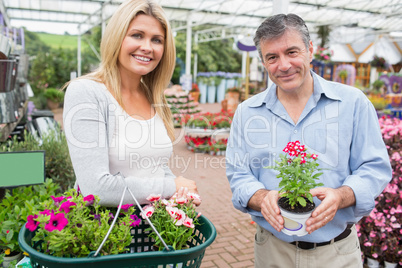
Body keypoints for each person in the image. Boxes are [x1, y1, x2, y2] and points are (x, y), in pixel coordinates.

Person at [226, 13, 392, 267]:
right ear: (263, 62)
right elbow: (239, 173)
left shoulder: (352, 103)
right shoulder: (247, 112)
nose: (283, 65)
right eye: (272, 57)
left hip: (337, 253)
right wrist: (261, 197)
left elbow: (374, 167)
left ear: (310, 50)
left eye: (292, 52)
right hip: (273, 251)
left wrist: (341, 195)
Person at [63, 0, 199, 207]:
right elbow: (95, 189)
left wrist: (180, 191)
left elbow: (156, 166)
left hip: (151, 229)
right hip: (109, 232)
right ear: (116, 37)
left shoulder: (153, 96)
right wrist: (171, 186)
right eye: (137, 35)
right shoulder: (87, 92)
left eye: (157, 40)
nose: (147, 47)